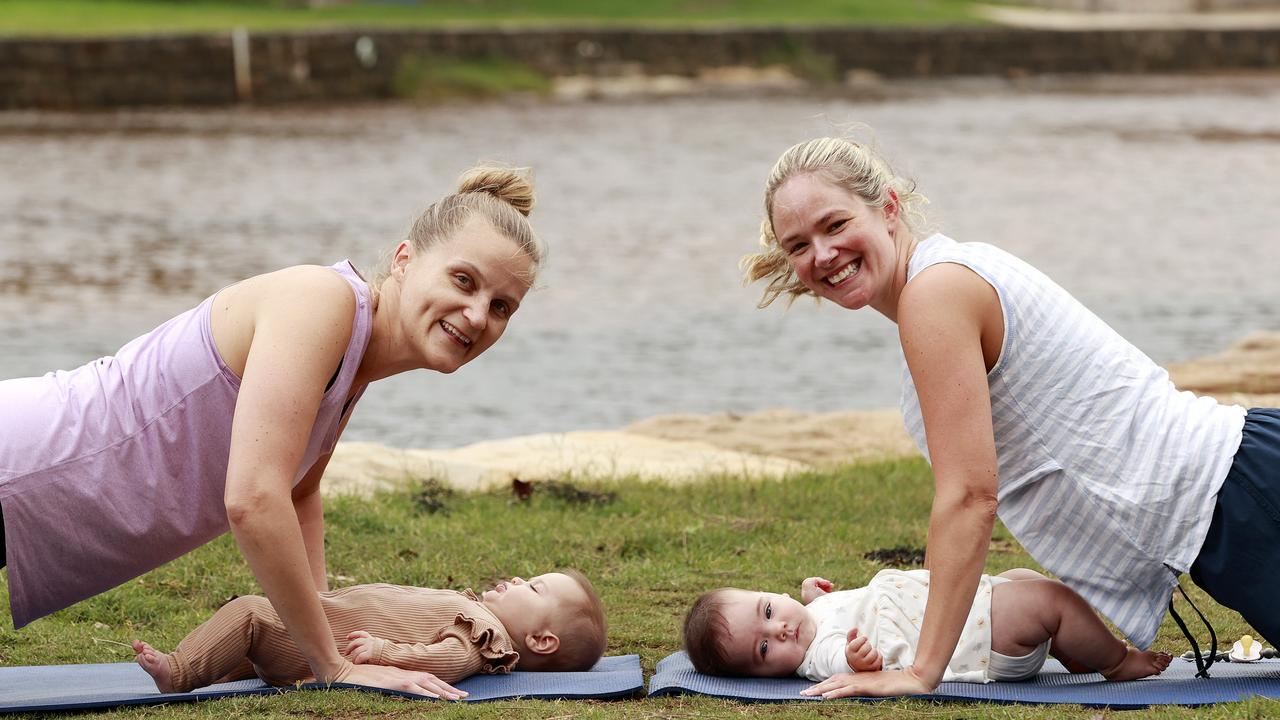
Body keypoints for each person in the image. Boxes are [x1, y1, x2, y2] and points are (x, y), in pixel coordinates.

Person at [741, 136, 1279, 698]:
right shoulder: (941, 280)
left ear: (889, 207)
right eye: (798, 244)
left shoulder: (935, 293)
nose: (822, 255)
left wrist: (922, 670)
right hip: (1236, 503)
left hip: (1246, 499)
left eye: (834, 225)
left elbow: (971, 495)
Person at [0, 165, 545, 698]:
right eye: (463, 280)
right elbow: (255, 499)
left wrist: (318, 638)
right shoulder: (321, 303)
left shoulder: (353, 362)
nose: (476, 315)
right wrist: (331, 664)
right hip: (22, 461)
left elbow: (298, 494)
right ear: (405, 259)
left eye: (501, 307)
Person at [130, 570, 607, 694]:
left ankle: (179, 671)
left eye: (535, 587)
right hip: (321, 621)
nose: (520, 580)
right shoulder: (477, 612)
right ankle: (228, 668)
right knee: (250, 625)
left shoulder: (485, 637)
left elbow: (442, 661)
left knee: (252, 614)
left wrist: (385, 650)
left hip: (326, 642)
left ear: (542, 640)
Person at [683, 568, 1171, 686]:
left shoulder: (812, 614)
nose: (781, 632)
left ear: (777, 596)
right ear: (765, 674)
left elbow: (819, 613)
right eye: (764, 650)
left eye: (768, 613)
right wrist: (857, 663)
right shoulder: (821, 656)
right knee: (1049, 600)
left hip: (964, 605)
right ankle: (1118, 661)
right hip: (973, 641)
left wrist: (814, 596)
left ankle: (1073, 653)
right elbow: (840, 658)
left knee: (1024, 580)